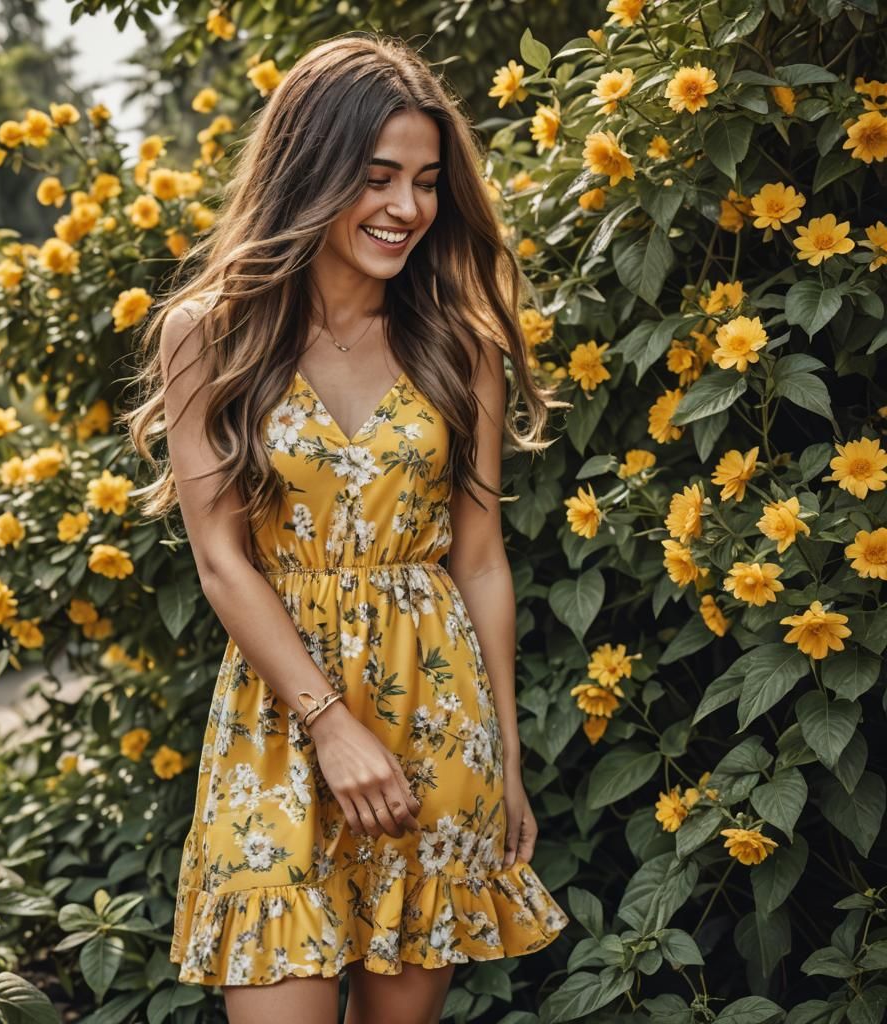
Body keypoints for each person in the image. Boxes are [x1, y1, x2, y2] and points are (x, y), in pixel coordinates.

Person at [124, 30, 570, 1024]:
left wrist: (503, 756)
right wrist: (329, 725)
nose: (407, 208)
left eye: (424, 180)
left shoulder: (461, 344)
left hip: (434, 721)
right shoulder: (211, 331)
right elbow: (220, 558)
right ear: (311, 170)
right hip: (281, 725)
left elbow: (482, 560)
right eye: (377, 177)